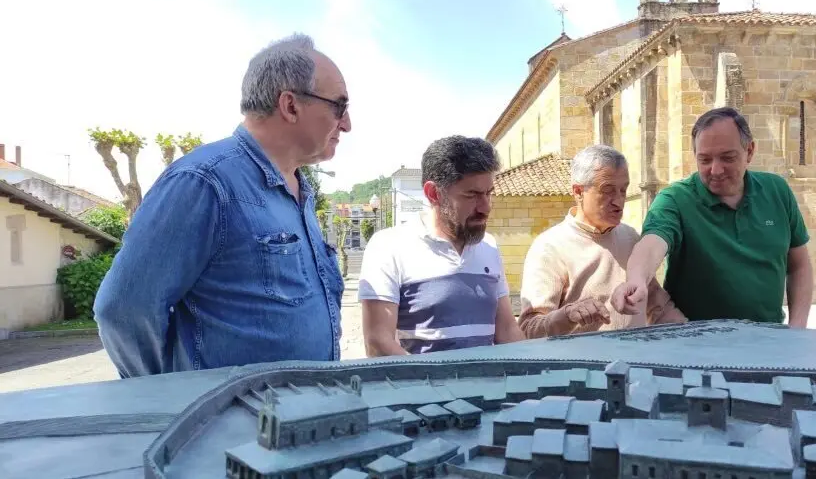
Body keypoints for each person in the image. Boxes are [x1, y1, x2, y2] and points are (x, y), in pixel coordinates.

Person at [94, 33, 351, 377]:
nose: (346, 124)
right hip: (232, 427)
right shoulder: (204, 182)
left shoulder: (299, 192)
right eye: (339, 106)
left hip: (298, 421)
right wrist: (169, 400)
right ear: (290, 105)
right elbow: (123, 309)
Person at [611, 107, 814, 327]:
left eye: (727, 158)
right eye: (705, 160)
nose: (716, 170)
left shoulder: (777, 191)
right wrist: (637, 280)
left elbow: (799, 265)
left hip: (769, 338)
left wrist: (797, 328)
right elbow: (652, 243)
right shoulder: (675, 199)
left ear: (750, 151)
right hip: (695, 343)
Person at [359, 135, 524, 356]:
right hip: (420, 389)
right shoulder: (388, 247)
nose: (485, 207)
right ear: (433, 193)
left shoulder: (489, 246)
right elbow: (378, 343)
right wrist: (438, 387)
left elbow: (507, 330)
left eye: (488, 193)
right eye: (472, 195)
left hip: (490, 389)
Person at [518, 145, 687, 338]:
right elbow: (529, 329)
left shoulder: (631, 238)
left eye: (623, 190)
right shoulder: (549, 248)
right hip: (580, 368)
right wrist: (568, 316)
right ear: (578, 192)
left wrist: (697, 337)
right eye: (608, 191)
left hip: (636, 364)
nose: (619, 201)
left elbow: (659, 308)